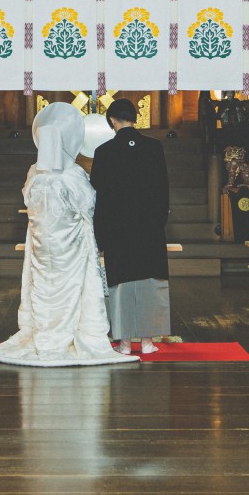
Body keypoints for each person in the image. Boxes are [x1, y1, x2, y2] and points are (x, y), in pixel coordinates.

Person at [0, 103, 128, 367]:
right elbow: (88, 205)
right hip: (71, 247)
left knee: (42, 286)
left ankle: (44, 334)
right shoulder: (73, 175)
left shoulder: (34, 173)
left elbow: (30, 202)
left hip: (42, 246)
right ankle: (71, 333)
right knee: (72, 289)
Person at [89, 97, 171, 355]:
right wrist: (158, 223)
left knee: (121, 285)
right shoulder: (154, 147)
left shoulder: (103, 152)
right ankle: (147, 341)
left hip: (118, 230)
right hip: (149, 229)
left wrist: (100, 235)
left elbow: (97, 197)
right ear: (134, 118)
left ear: (112, 120)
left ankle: (124, 342)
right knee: (149, 281)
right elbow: (163, 190)